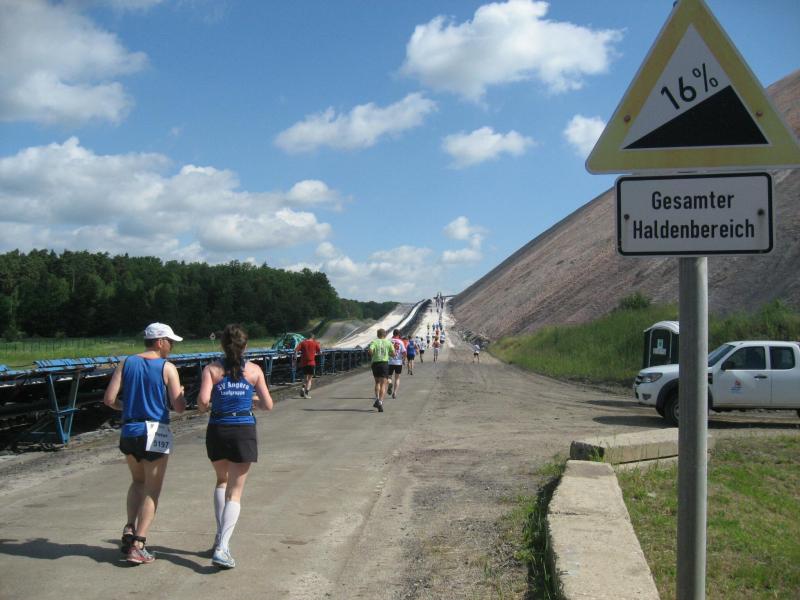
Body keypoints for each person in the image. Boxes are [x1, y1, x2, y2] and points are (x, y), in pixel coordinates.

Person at [103, 322, 186, 565]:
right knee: (152, 489)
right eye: (170, 342)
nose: (171, 347)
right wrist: (180, 393)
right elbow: (179, 407)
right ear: (160, 342)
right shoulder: (167, 368)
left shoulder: (126, 363)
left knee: (137, 481)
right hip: (155, 431)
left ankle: (130, 526)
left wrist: (127, 407)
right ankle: (139, 544)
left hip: (130, 430)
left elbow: (109, 399)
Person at [197, 324, 274, 569]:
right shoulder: (254, 370)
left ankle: (219, 537)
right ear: (245, 346)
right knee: (236, 492)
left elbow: (202, 402)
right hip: (243, 429)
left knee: (221, 481)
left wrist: (215, 401)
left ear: (222, 345)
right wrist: (250, 399)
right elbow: (268, 404)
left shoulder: (211, 369)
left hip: (218, 428)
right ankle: (223, 547)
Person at [367, 328, 394, 412]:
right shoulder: (388, 342)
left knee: (377, 382)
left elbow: (370, 350)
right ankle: (380, 402)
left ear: (377, 335)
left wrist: (372, 354)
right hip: (384, 364)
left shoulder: (374, 342)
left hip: (375, 364)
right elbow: (393, 353)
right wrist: (389, 354)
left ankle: (377, 398)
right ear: (385, 335)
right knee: (383, 384)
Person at [295, 333, 321, 398]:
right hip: (311, 363)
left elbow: (296, 350)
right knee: (309, 379)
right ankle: (306, 394)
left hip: (304, 363)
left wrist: (295, 359)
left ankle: (303, 388)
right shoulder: (315, 343)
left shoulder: (302, 343)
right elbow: (319, 352)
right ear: (312, 337)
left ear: (306, 337)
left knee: (305, 377)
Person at [388, 329, 407, 399]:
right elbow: (404, 352)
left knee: (389, 377)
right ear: (398, 334)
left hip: (389, 362)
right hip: (398, 362)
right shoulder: (400, 342)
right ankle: (395, 393)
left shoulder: (388, 341)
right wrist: (404, 359)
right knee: (397, 378)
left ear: (393, 334)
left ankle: (390, 383)